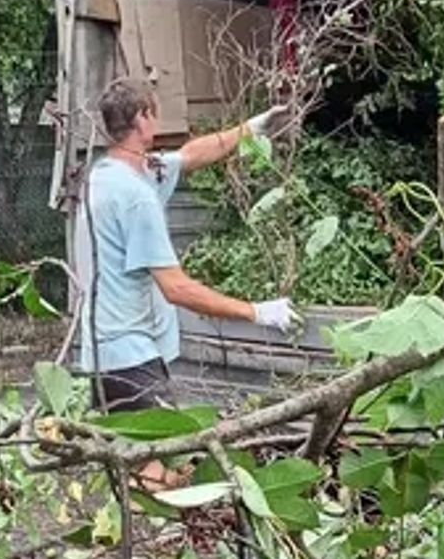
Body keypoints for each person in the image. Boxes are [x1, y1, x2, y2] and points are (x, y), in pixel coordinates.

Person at [77, 76, 297, 414]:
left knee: (136, 457)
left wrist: (252, 128)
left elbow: (188, 156)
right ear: (142, 117)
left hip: (102, 351)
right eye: (155, 113)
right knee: (153, 463)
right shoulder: (137, 197)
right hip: (130, 355)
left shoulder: (105, 176)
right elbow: (176, 288)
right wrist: (257, 312)